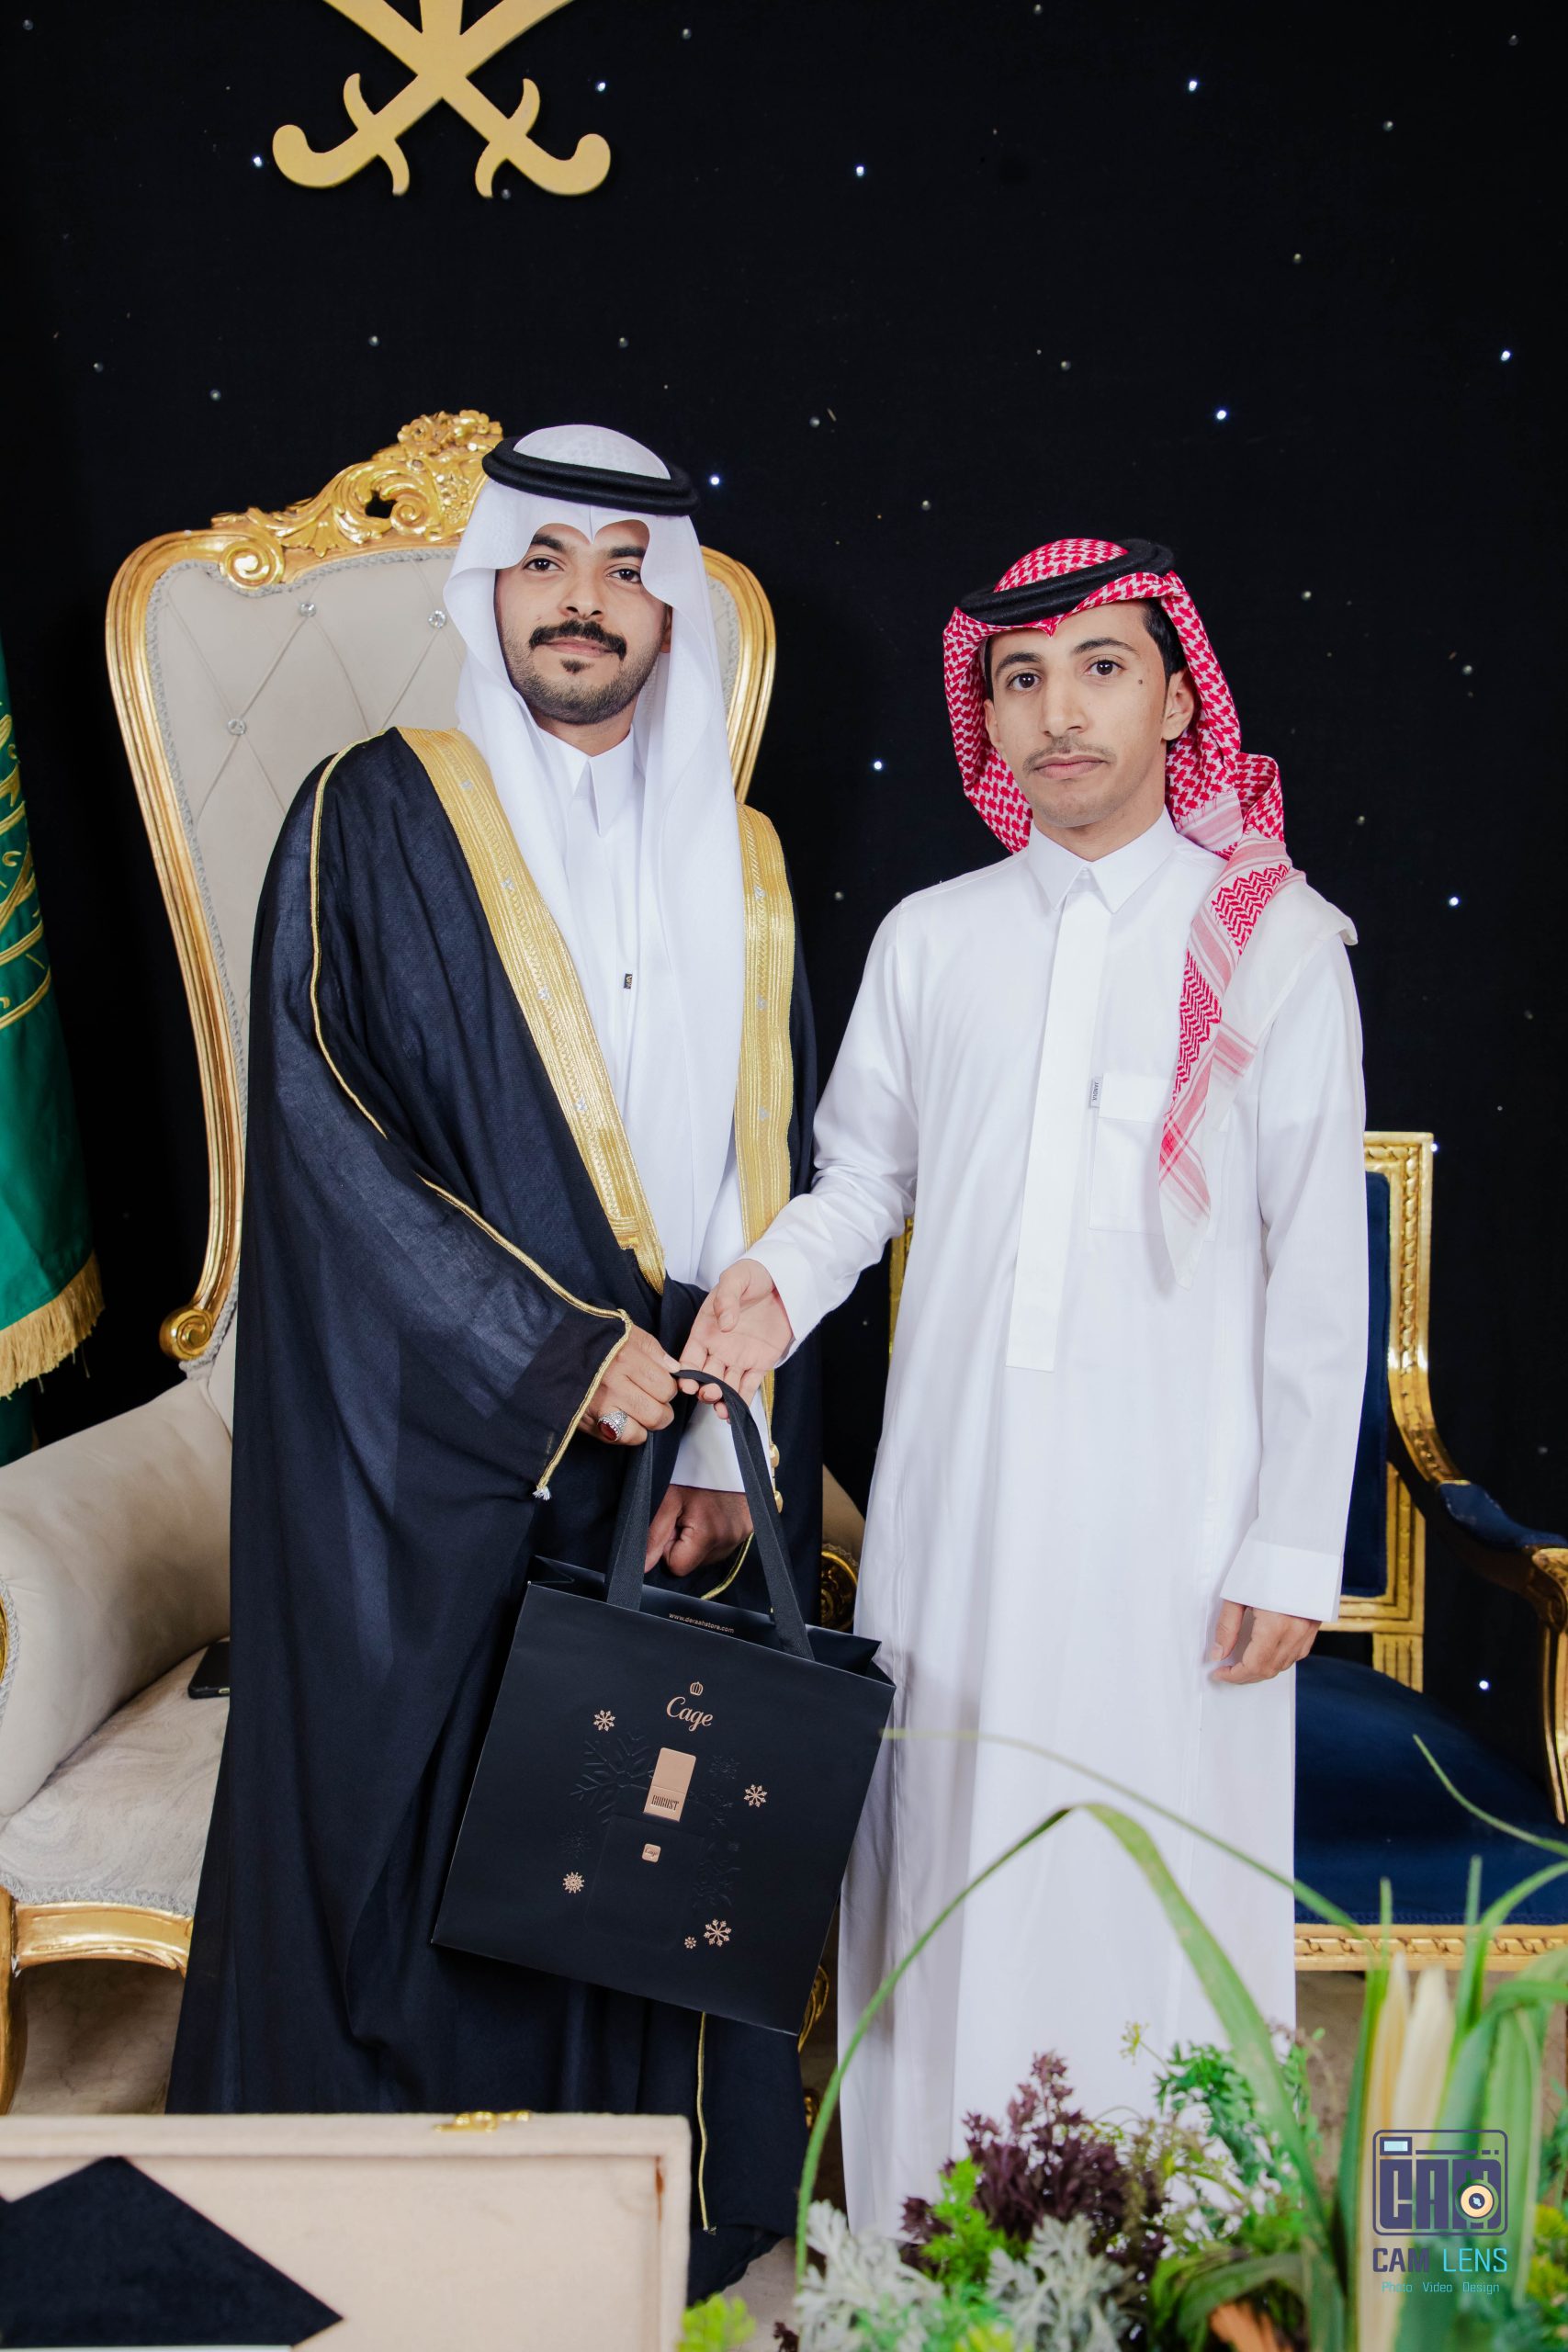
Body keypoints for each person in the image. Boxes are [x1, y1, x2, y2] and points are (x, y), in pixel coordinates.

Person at [168, 424, 821, 2298]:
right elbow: (320, 1135)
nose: (583, 601)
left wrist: (724, 1450)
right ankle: (373, 2247)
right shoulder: (368, 811)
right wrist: (545, 1357)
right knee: (406, 1847)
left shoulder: (747, 864)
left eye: (625, 566)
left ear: (668, 609)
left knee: (625, 1845)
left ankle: (594, 2239)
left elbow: (761, 1180)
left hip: (669, 1448)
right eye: (547, 560)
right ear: (492, 589)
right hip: (418, 1446)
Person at [682, 537, 1368, 2232]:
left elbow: (1315, 1269)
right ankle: (930, 2257)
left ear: (1178, 698)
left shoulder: (1279, 944)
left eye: (1102, 667)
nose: (1060, 711)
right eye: (1020, 678)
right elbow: (863, 1178)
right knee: (948, 1854)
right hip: (962, 1502)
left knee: (1161, 1859)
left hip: (1183, 1520)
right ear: (985, 717)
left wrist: (1293, 1541)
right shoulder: (937, 939)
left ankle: (1181, 2263)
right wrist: (777, 1280)